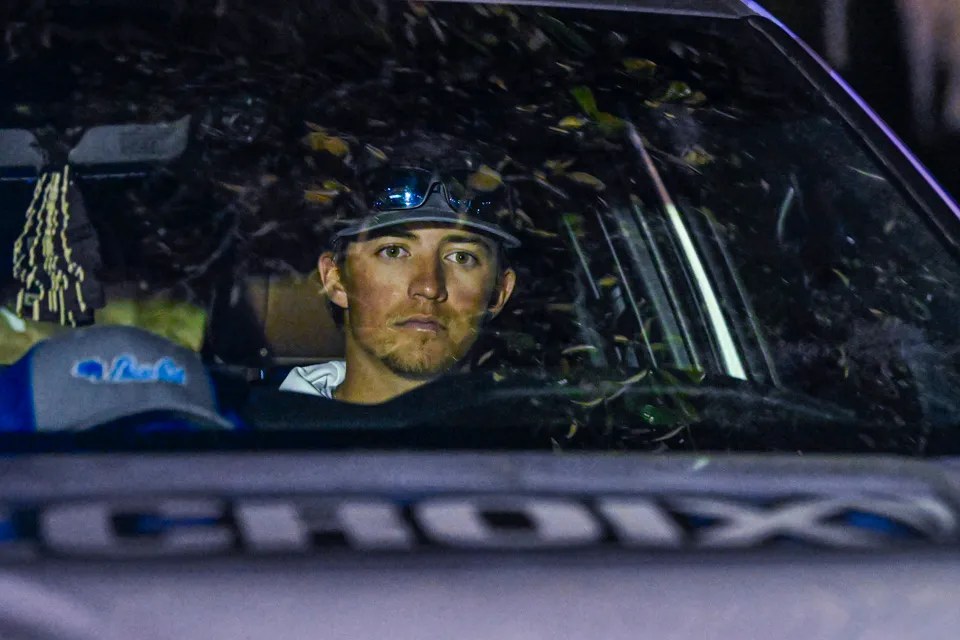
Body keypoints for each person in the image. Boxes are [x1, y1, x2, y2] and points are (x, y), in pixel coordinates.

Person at [280, 164, 520, 404]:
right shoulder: (270, 425)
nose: (429, 287)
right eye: (393, 251)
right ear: (336, 280)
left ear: (500, 292)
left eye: (461, 257)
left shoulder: (526, 424)